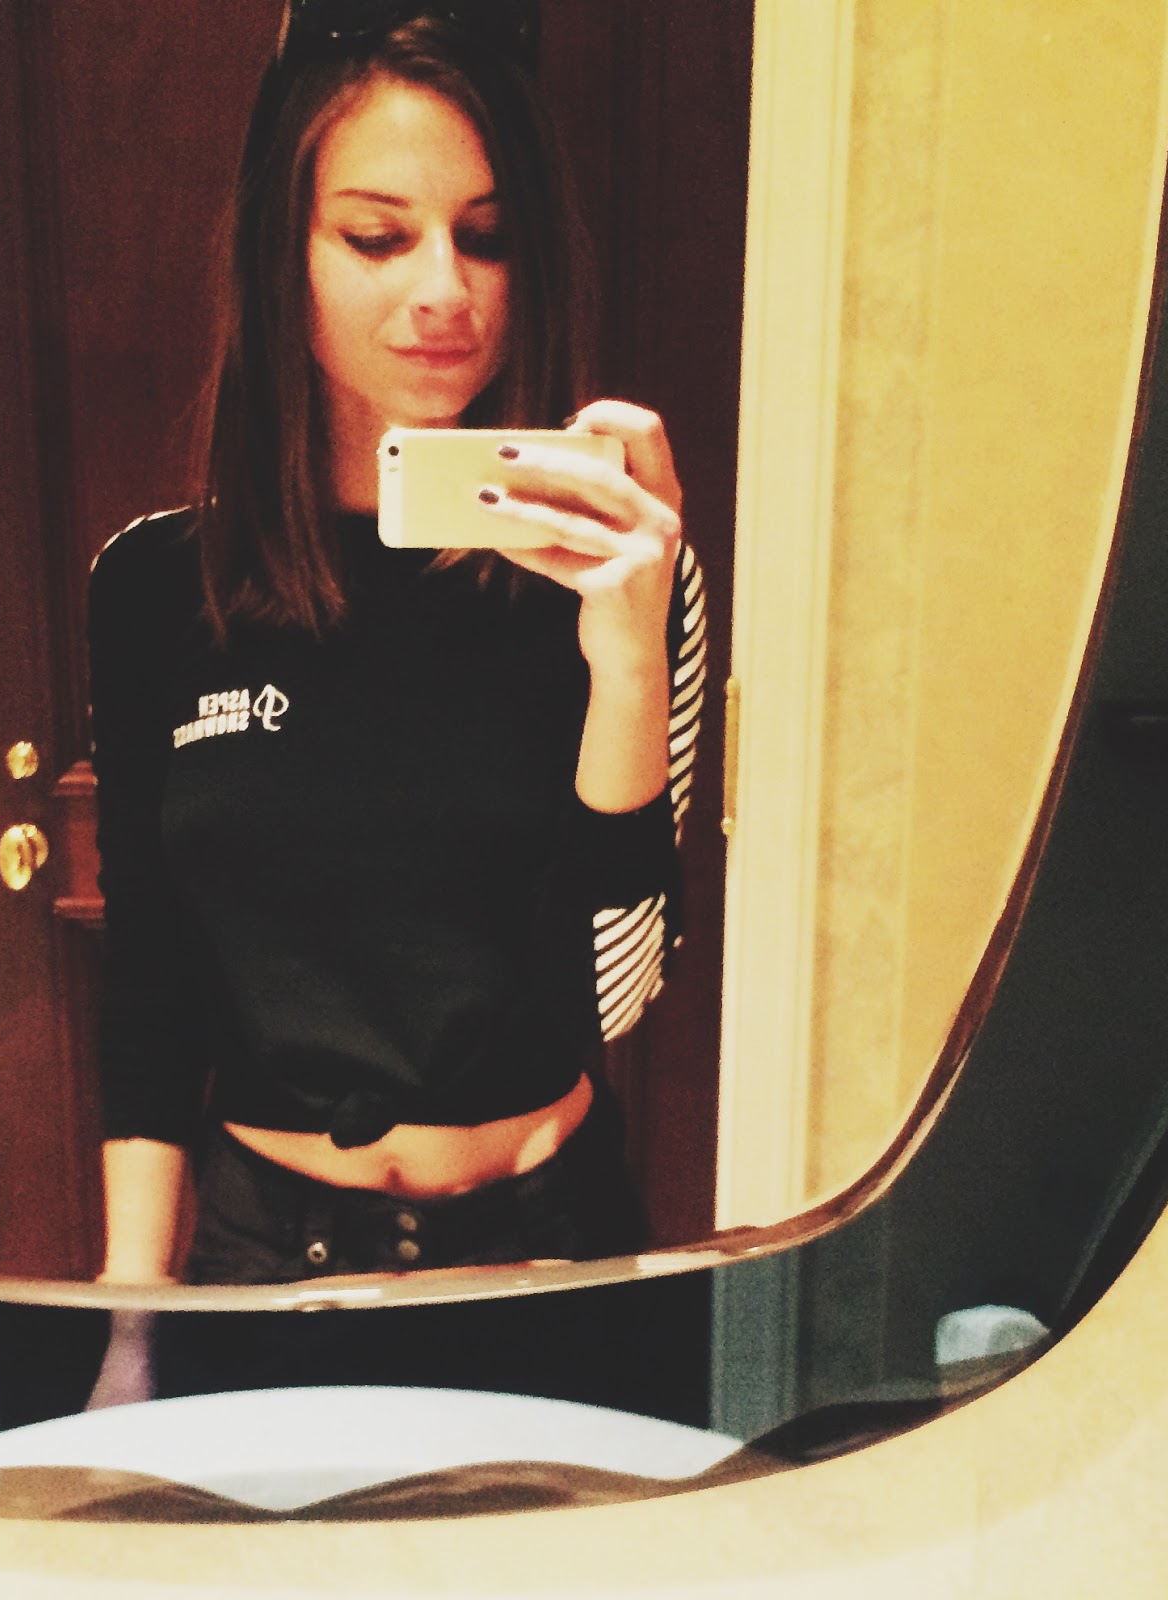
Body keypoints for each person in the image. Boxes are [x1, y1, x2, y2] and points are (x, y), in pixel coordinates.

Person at [85, 0, 706, 1408]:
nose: (445, 289)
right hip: (268, 1271)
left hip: (553, 1266)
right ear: (283, 252)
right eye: (378, 236)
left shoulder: (611, 564)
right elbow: (152, 985)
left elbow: (622, 991)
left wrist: (625, 655)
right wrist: (130, 1323)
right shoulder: (157, 587)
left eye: (486, 237)